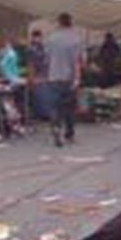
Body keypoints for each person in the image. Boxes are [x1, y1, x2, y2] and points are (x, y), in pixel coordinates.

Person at [44, 13, 85, 147]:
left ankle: (56, 128)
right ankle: (69, 134)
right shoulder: (76, 39)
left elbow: (47, 59)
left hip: (54, 77)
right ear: (70, 22)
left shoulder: (51, 39)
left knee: (55, 106)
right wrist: (77, 79)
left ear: (59, 22)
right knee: (69, 108)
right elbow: (79, 61)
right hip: (69, 78)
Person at [26, 30, 49, 121]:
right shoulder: (42, 48)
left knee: (38, 96)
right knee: (40, 96)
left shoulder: (32, 49)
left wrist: (30, 78)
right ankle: (43, 114)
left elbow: (30, 65)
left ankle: (40, 114)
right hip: (42, 76)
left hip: (38, 76)